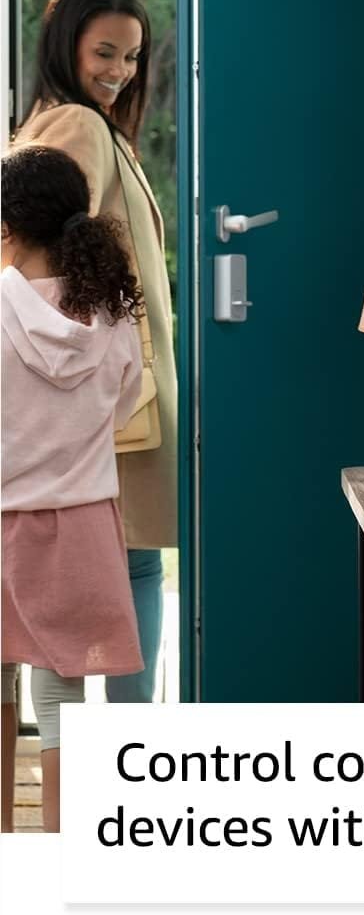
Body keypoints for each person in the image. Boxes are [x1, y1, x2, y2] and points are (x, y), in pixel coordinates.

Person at [14, 0, 178, 703]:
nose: (121, 71)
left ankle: (118, 738)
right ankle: (130, 742)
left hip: (102, 387)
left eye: (132, 57)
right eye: (104, 53)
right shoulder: (78, 126)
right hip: (104, 393)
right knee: (131, 561)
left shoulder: (88, 123)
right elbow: (42, 251)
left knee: (128, 561)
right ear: (65, 46)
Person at [1, 144, 146, 832]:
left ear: (6, 228)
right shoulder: (111, 316)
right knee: (61, 699)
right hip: (81, 529)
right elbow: (123, 408)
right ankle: (62, 858)